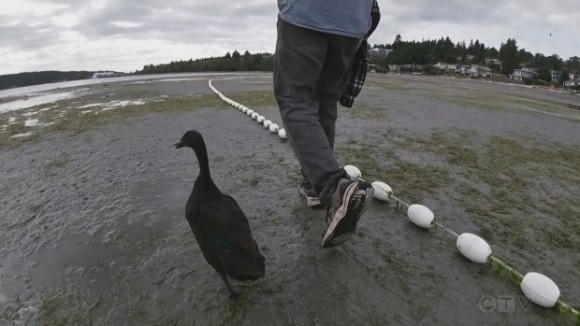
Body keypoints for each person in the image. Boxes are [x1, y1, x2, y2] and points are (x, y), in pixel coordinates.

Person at [273, 0, 381, 248]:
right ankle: (313, 186)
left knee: (295, 100)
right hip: (352, 22)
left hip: (307, 14)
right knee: (325, 103)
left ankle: (335, 188)